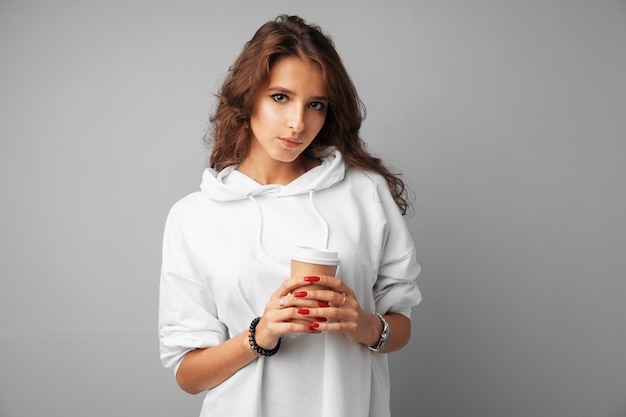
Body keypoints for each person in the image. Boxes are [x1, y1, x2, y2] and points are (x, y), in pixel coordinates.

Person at [158, 14, 421, 417]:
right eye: (280, 97)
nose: (298, 123)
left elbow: (398, 321)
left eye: (315, 104)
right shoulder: (194, 216)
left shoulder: (364, 193)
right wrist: (260, 334)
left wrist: (362, 324)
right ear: (248, 98)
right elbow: (189, 375)